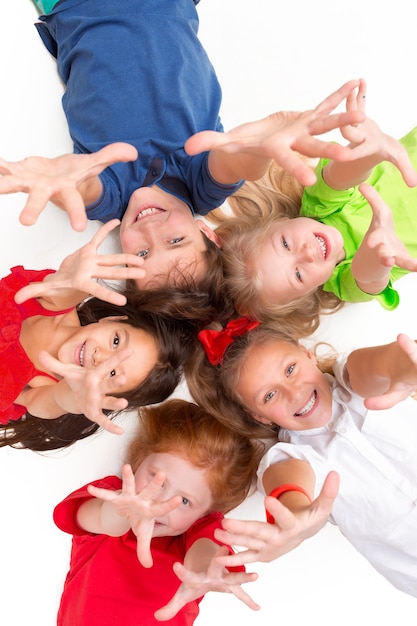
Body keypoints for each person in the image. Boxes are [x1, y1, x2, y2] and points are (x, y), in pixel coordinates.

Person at [0, 1, 367, 296]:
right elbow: (235, 161)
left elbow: (81, 186)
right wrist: (260, 146)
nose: (152, 231)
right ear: (207, 232)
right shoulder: (201, 188)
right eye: (176, 240)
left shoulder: (111, 199)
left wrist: (59, 180)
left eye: (142, 253)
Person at [185, 318, 417, 597]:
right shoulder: (288, 456)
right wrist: (295, 520)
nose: (294, 393)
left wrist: (403, 365)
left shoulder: (352, 378)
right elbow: (289, 488)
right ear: (259, 416)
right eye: (269, 395)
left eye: (290, 369)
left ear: (307, 353)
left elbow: (381, 366)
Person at [210, 80, 417, 336]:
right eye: (298, 274)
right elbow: (369, 277)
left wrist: (370, 151)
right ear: (308, 293)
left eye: (285, 244)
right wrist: (377, 257)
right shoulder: (344, 278)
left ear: (279, 222)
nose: (307, 253)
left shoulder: (319, 205)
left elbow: (341, 176)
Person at [53, 398, 262, 625]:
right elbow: (96, 519)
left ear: (206, 512)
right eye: (157, 481)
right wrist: (124, 511)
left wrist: (204, 571)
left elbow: (206, 553)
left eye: (184, 500)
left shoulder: (199, 531)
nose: (161, 502)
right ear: (139, 458)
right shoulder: (112, 495)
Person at [0, 221, 204, 451]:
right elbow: (65, 291)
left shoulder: (49, 386)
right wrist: (74, 280)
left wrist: (70, 399)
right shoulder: (57, 305)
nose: (100, 357)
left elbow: (50, 401)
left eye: (112, 372)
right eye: (116, 341)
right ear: (112, 320)